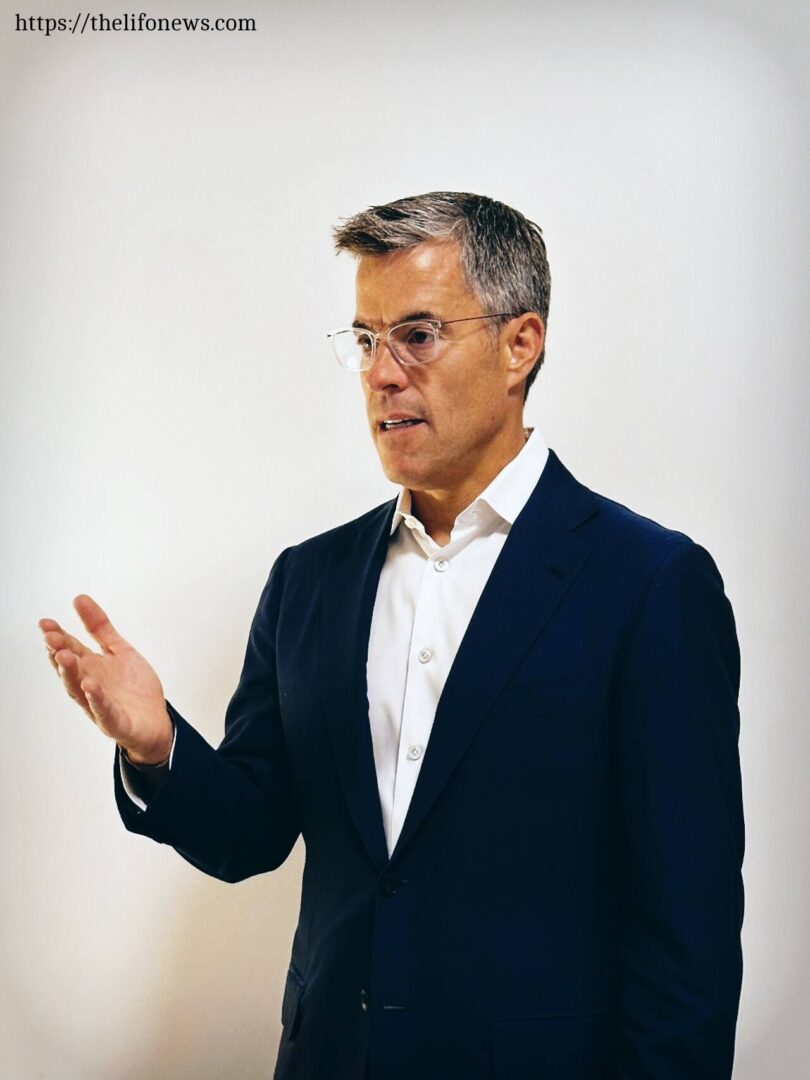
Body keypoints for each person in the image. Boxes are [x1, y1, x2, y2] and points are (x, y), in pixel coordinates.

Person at [39, 192, 744, 1080]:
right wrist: (157, 747)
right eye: (366, 341)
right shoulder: (311, 579)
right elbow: (253, 831)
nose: (381, 373)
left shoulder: (649, 585)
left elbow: (689, 936)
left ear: (521, 343)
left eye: (417, 335)